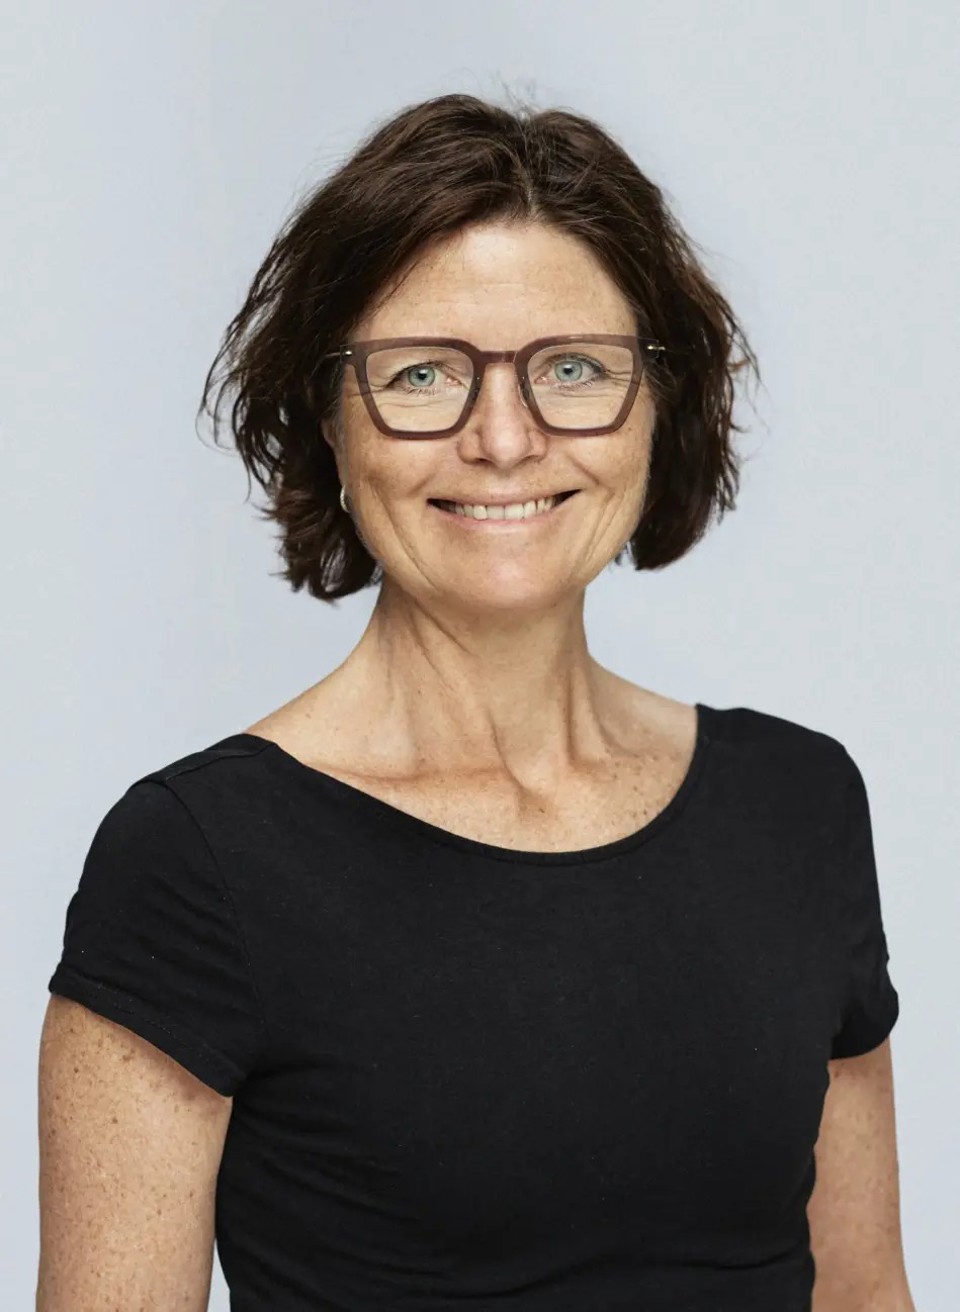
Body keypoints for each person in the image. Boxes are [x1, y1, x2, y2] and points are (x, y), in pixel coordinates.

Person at [36, 92, 913, 1311]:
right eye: (423, 373)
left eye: (572, 368)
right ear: (329, 418)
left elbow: (866, 1295)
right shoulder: (201, 862)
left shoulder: (797, 805)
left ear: (658, 404)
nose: (503, 439)